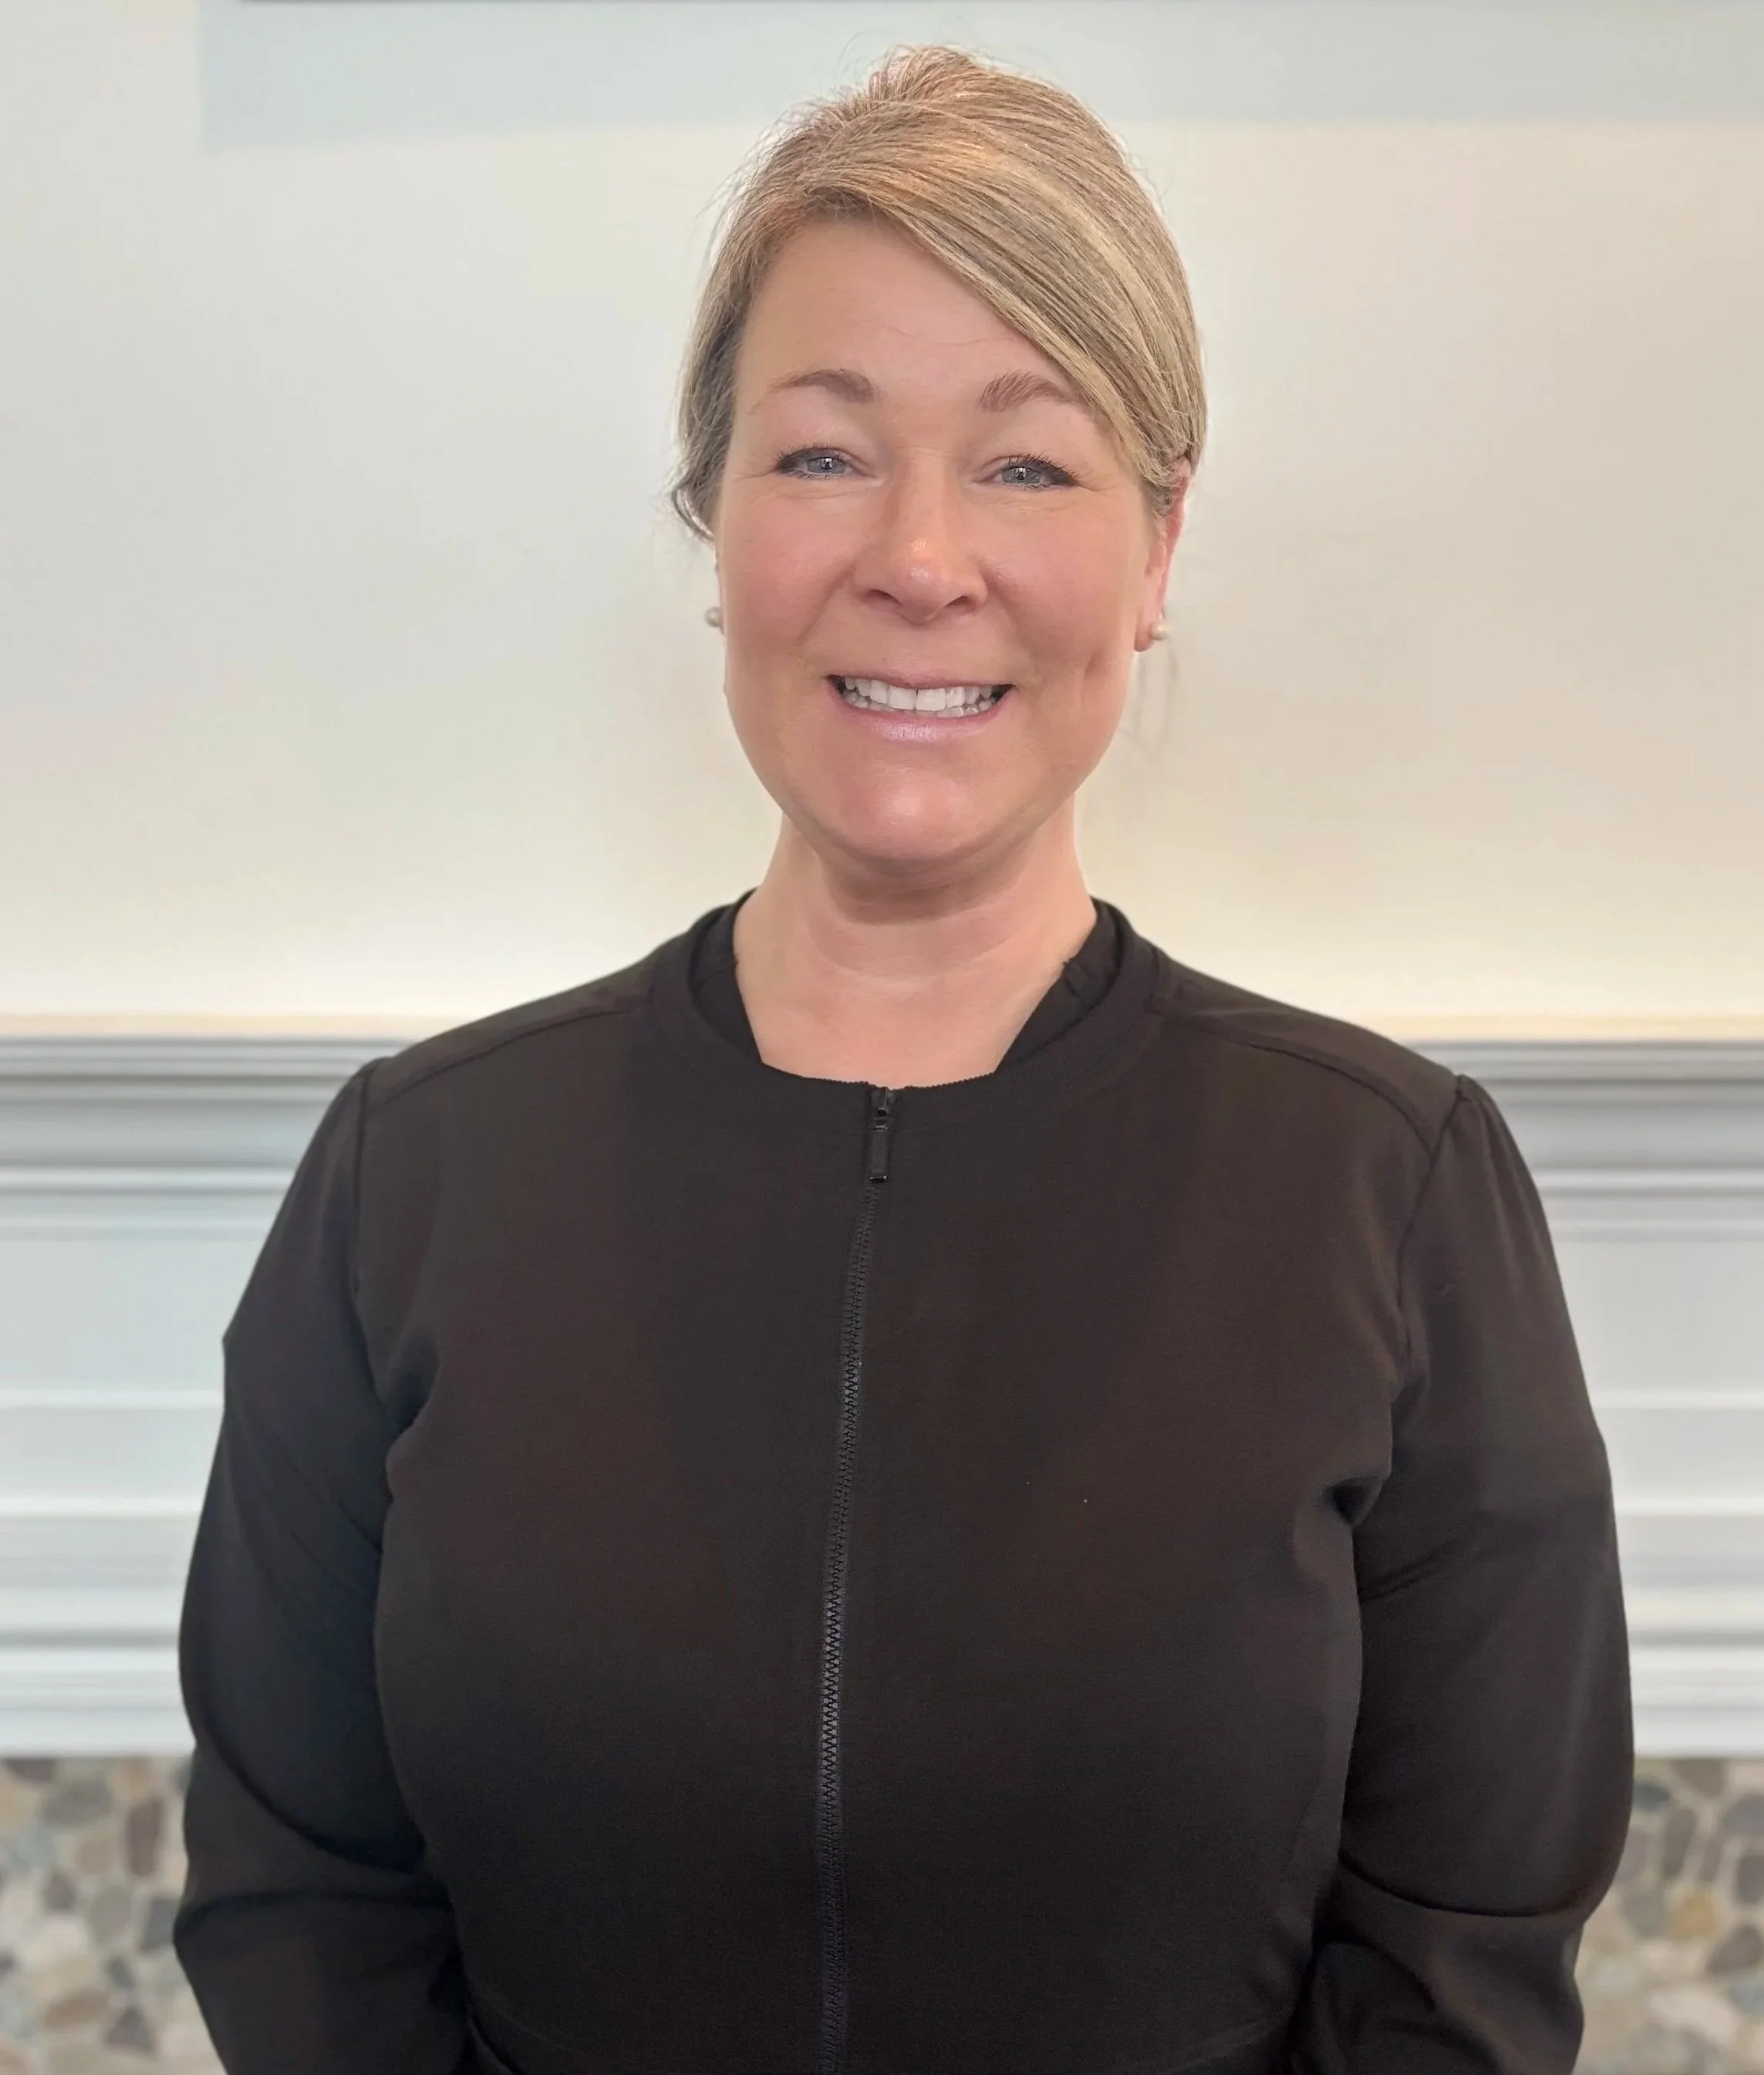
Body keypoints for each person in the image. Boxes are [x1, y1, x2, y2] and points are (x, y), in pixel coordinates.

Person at [173, 42, 1634, 2075]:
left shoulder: (1390, 1194)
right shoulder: (416, 1177)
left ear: (1158, 546)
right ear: (716, 518)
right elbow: (302, 1894)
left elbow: (1462, 1958)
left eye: (1029, 461)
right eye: (825, 452)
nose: (921, 558)